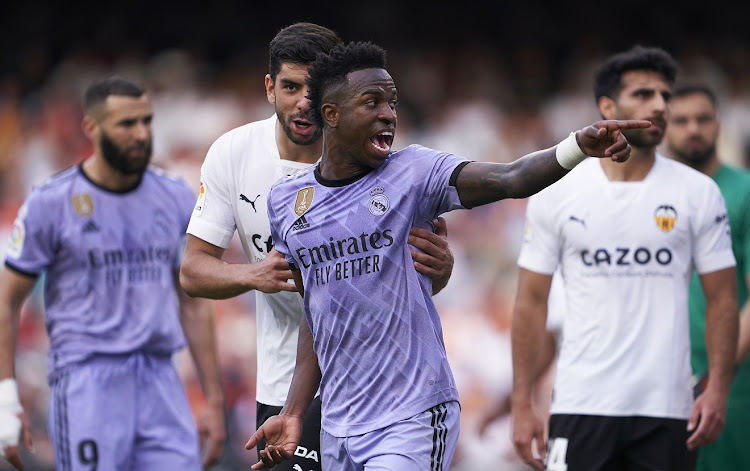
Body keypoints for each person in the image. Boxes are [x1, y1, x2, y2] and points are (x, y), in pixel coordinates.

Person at [244, 40, 650, 470]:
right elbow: (317, 313)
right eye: (372, 102)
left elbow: (510, 178)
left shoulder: (413, 172)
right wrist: (292, 412)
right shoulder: (287, 202)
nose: (389, 113)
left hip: (412, 414)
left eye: (393, 102)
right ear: (332, 115)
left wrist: (576, 146)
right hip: (338, 424)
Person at [178, 23, 455, 471]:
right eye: (289, 87)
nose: (302, 101)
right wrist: (253, 274)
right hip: (283, 385)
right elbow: (192, 271)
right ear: (270, 87)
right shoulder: (234, 152)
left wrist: (440, 272)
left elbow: (409, 287)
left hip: (374, 387)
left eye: (312, 89)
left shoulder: (373, 159)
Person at [510, 45, 738, 471]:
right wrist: (521, 402)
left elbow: (723, 298)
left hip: (667, 408)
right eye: (644, 94)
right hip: (580, 402)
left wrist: (718, 387)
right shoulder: (558, 192)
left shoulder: (698, 192)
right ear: (607, 106)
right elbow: (530, 301)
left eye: (665, 95)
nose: (659, 105)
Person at [0, 76, 226, 470]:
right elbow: (7, 301)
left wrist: (213, 400)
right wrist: (6, 400)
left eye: (147, 121)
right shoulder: (50, 203)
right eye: (126, 124)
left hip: (160, 378)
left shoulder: (174, 195)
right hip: (87, 381)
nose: (141, 134)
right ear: (92, 128)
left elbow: (192, 302)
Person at [663, 84, 750, 471]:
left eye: (703, 119)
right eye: (680, 121)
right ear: (663, 128)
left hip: (733, 384)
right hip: (660, 381)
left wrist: (716, 379)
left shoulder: (745, 192)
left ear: (719, 125)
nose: (693, 129)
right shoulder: (649, 194)